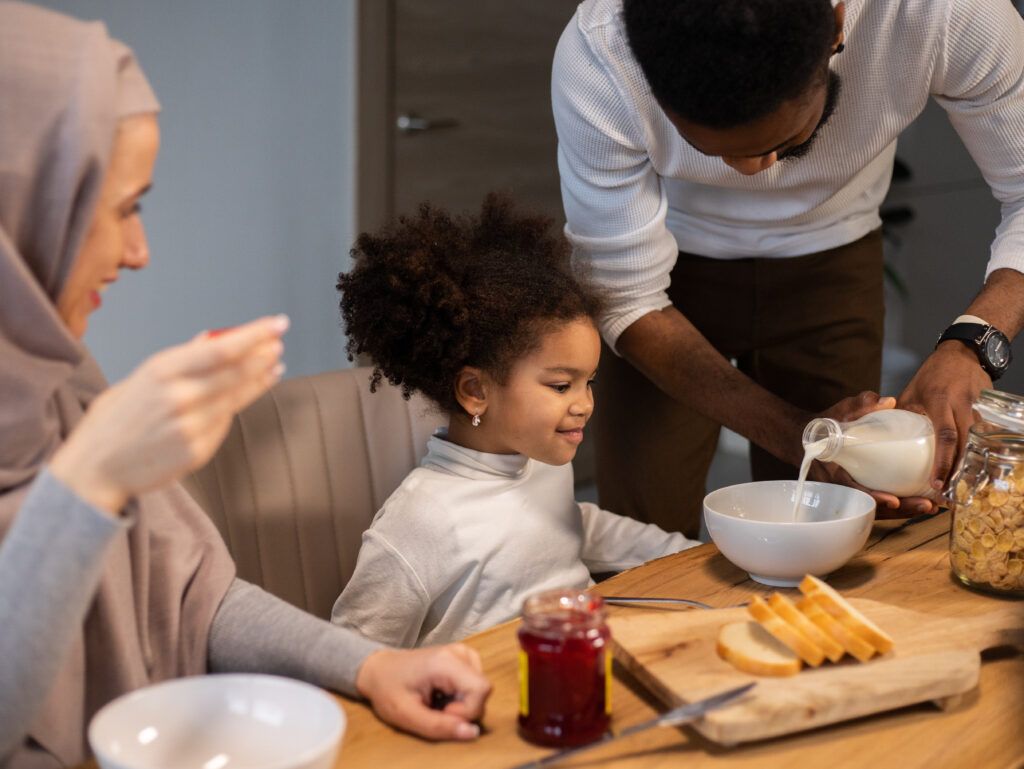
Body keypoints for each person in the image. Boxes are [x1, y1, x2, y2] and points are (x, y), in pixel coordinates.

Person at [0, 4, 489, 765]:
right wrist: (90, 479)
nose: (139, 252)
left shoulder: (57, 371)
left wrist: (366, 665)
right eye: (122, 207)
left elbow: (194, 596)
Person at [551, 0, 1024, 538]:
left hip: (834, 258)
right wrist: (799, 433)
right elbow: (622, 289)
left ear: (837, 29)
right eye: (711, 150)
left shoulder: (947, 12)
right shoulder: (602, 50)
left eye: (785, 143)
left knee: (841, 523)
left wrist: (971, 343)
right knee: (637, 529)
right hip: (662, 286)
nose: (754, 173)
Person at [329, 195, 700, 648]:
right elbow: (353, 653)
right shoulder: (422, 520)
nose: (585, 404)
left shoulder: (542, 464)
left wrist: (687, 554)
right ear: (475, 391)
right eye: (562, 386)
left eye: (590, 383)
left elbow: (571, 525)